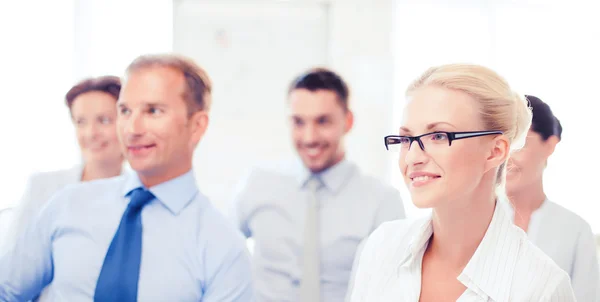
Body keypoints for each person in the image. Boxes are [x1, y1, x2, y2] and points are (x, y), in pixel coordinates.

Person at [0, 54, 254, 301]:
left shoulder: (224, 248)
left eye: (153, 111)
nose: (132, 129)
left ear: (197, 126)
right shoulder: (67, 205)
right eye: (125, 111)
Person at [349, 64, 576, 301]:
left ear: (495, 151)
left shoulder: (541, 288)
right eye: (406, 139)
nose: (413, 157)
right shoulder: (381, 248)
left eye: (438, 136)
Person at [230, 67, 405, 302]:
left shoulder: (382, 201)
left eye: (323, 121)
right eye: (298, 122)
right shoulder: (257, 184)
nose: (309, 137)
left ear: (348, 121)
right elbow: (221, 254)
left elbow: (392, 287)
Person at [2, 76, 126, 251]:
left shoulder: (141, 194)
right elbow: (11, 264)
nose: (91, 133)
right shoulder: (43, 187)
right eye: (81, 122)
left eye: (104, 120)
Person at [505, 95, 600, 301]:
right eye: (502, 144)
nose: (507, 157)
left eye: (520, 144)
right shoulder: (473, 223)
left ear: (550, 145)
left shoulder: (576, 230)